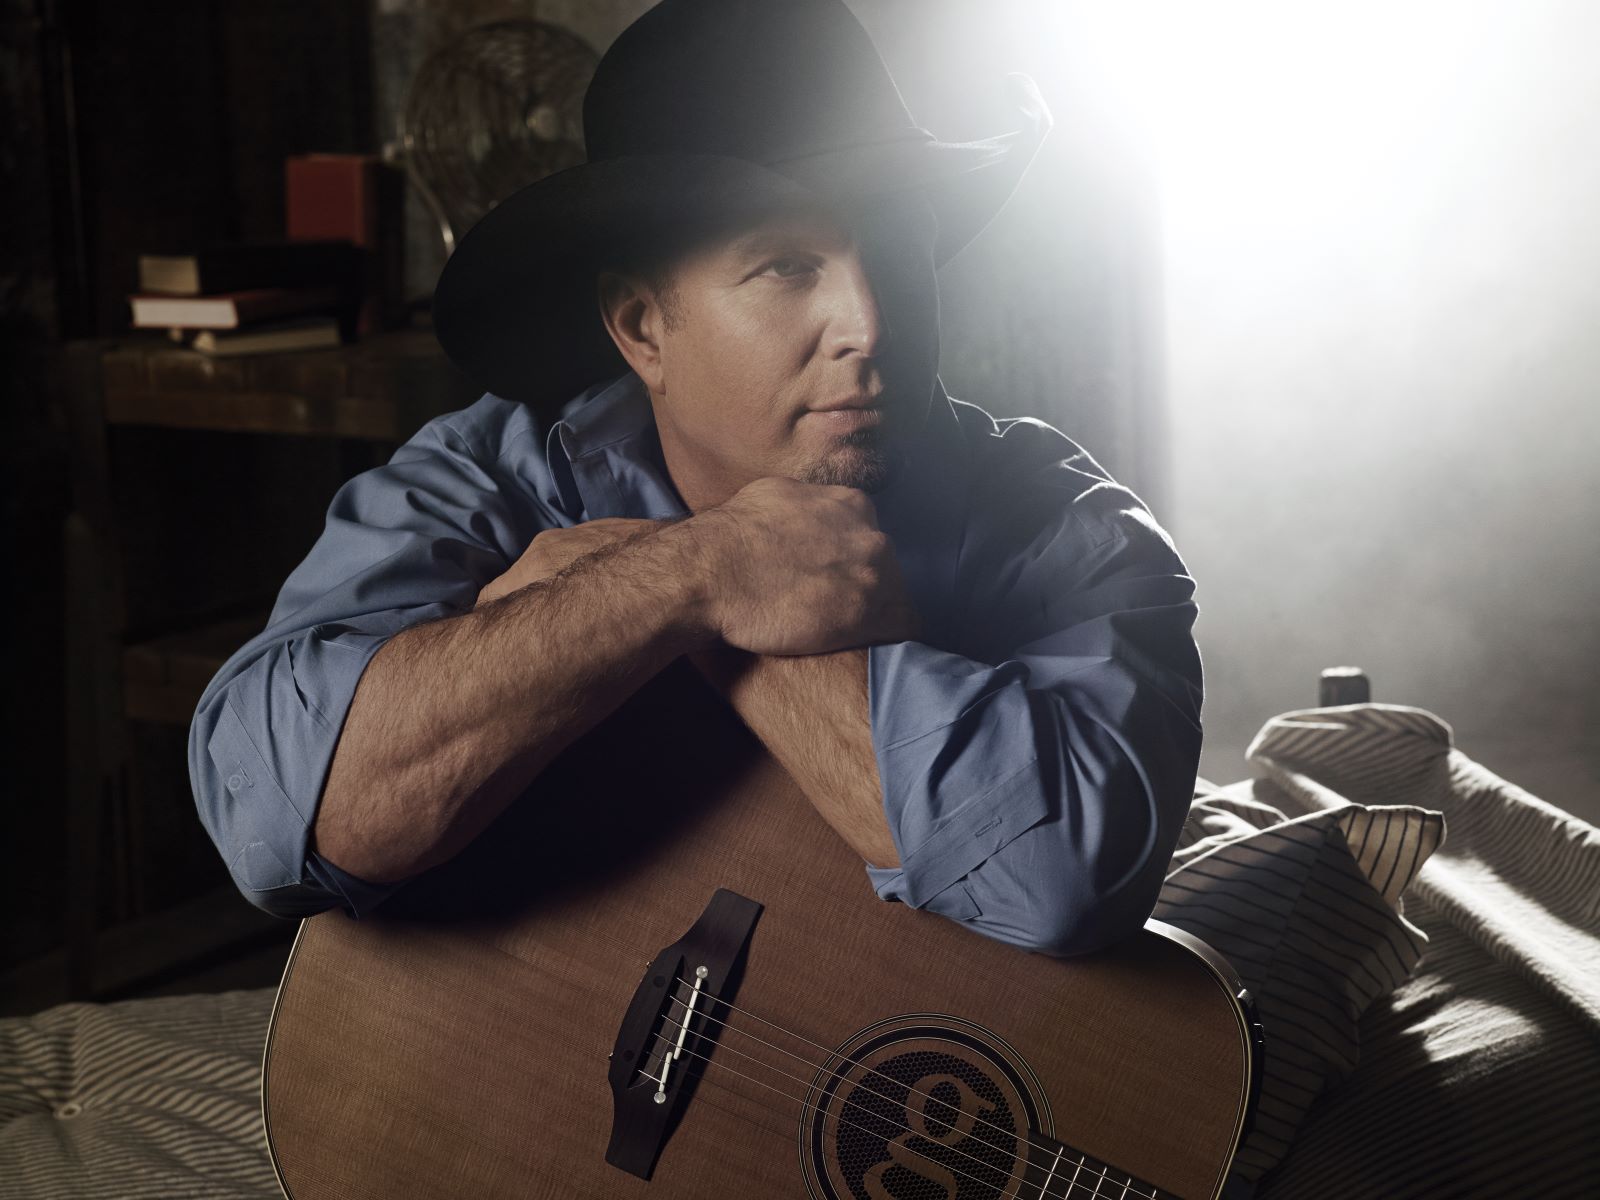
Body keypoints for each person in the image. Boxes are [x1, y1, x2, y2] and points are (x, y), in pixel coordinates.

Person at [187, 0, 1203, 956]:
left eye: (895, 253)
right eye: (785, 268)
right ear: (641, 329)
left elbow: (1063, 882)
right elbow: (278, 814)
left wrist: (675, 604)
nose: (867, 325)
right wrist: (692, 571)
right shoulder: (486, 475)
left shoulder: (1070, 528)